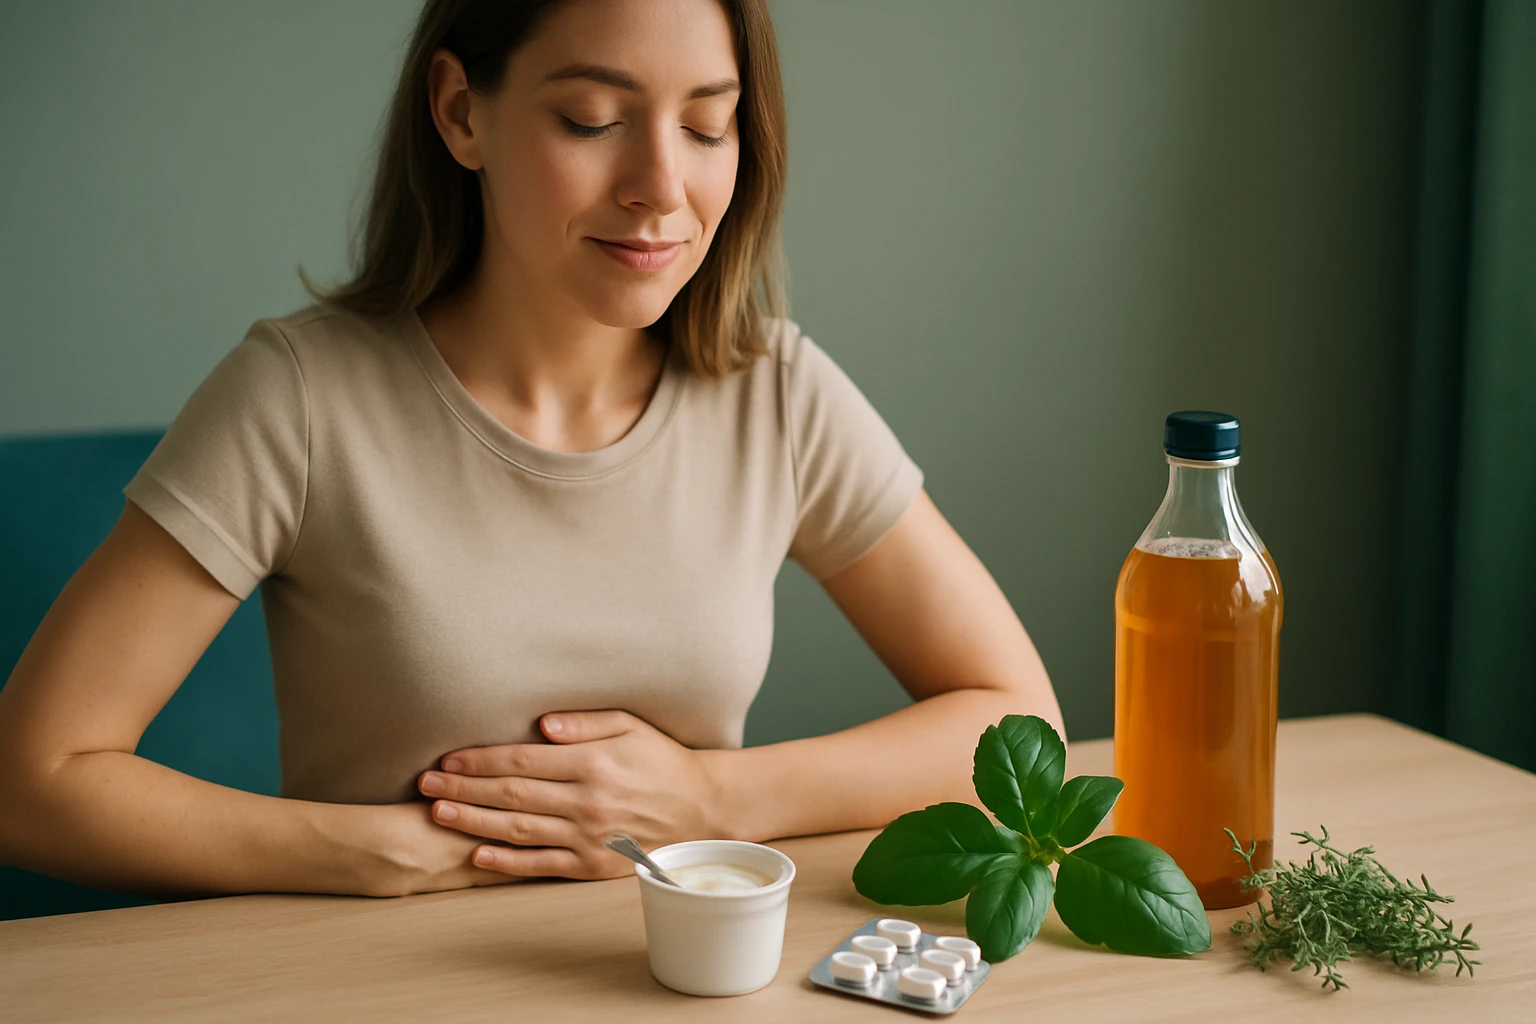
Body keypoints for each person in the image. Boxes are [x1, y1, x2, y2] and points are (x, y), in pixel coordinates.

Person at [0, 0, 1061, 901]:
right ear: (462, 111)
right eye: (593, 119)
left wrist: (709, 798)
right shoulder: (300, 397)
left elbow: (1019, 722)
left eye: (707, 126)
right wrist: (368, 850)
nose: (660, 184)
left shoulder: (776, 392)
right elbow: (32, 776)